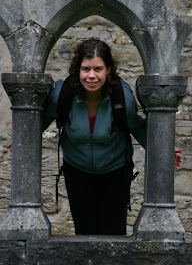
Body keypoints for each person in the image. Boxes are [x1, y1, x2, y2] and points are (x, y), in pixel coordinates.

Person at [6, 38, 183, 235]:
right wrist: (22, 140)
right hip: (77, 170)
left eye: (98, 69)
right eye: (86, 69)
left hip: (115, 171)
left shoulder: (122, 98)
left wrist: (166, 149)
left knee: (113, 233)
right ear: (77, 70)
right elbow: (40, 119)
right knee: (84, 231)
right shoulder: (62, 95)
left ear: (108, 70)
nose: (91, 76)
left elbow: (137, 126)